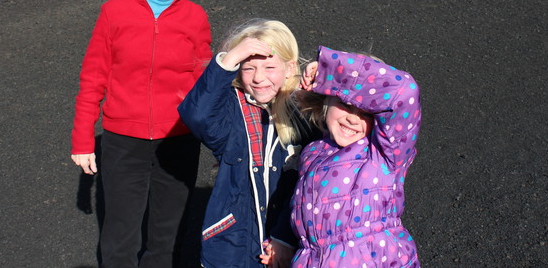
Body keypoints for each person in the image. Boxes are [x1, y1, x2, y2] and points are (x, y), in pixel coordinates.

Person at [70, 0, 212, 267]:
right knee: (120, 239)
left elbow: (204, 84)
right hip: (123, 142)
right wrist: (83, 140)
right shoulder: (114, 11)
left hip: (178, 142)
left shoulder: (195, 17)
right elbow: (93, 77)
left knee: (166, 238)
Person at [178, 19, 317, 267]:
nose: (258, 78)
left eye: (270, 67)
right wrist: (227, 60)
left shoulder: (306, 112)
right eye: (248, 68)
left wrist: (329, 74)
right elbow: (196, 115)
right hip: (234, 246)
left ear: (290, 67)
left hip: (291, 242)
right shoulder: (231, 111)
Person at [290, 46, 422, 267]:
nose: (353, 118)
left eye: (366, 114)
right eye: (345, 104)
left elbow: (404, 91)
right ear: (327, 100)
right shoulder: (312, 152)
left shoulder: (384, 153)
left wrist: (332, 71)